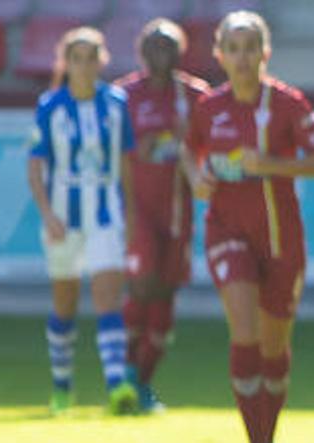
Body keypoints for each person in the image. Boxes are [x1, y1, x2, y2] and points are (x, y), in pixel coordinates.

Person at [183, 10, 314, 443]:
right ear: (220, 55)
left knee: (274, 348)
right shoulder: (209, 107)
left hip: (281, 239)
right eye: (234, 48)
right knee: (244, 333)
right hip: (227, 229)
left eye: (252, 47)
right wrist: (199, 179)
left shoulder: (288, 105)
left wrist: (267, 163)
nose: (243, 57)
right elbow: (190, 151)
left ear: (266, 54)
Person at [28, 27, 138, 415]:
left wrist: (132, 212)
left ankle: (116, 384)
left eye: (92, 57)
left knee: (109, 296)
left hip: (105, 212)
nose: (85, 65)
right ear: (66, 63)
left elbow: (125, 162)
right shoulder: (50, 106)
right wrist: (46, 213)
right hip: (63, 215)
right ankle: (62, 384)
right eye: (77, 58)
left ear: (102, 61)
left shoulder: (116, 104)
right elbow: (35, 165)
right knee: (65, 303)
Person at [117, 18, 211, 413]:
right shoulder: (123, 96)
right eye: (154, 46)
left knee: (166, 294)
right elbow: (112, 152)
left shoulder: (194, 95)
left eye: (169, 46)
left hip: (177, 211)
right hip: (137, 209)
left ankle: (142, 381)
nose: (162, 53)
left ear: (180, 52)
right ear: (142, 51)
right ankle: (121, 376)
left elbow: (209, 147)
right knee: (142, 286)